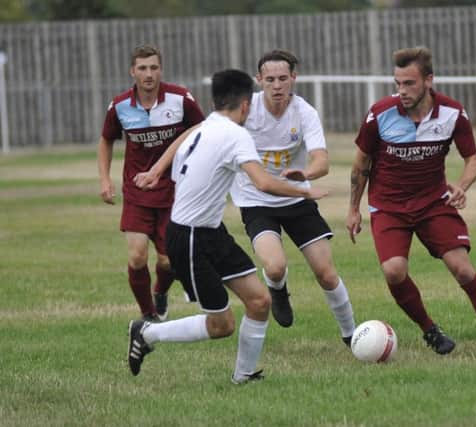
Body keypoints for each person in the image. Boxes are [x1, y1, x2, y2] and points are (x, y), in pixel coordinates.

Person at [128, 69, 328, 384]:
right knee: (222, 325)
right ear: (246, 105)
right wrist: (306, 191)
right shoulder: (235, 135)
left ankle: (244, 375)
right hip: (190, 237)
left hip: (210, 231)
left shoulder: (205, 127)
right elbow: (263, 183)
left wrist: (156, 169)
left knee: (260, 301)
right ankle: (148, 332)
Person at [346, 46, 476, 355]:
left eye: (409, 83)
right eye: (398, 83)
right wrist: (353, 209)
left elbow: (473, 160)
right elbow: (360, 163)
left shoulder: (452, 113)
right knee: (394, 271)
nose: (401, 91)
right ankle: (430, 330)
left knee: (464, 270)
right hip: (389, 206)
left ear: (429, 80)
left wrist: (462, 186)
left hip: (433, 203)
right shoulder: (380, 113)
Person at [229, 49, 356, 345]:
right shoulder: (245, 112)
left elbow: (321, 160)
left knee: (325, 273)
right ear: (258, 80)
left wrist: (307, 175)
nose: (277, 85)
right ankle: (278, 288)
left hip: (297, 199)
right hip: (256, 201)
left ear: (293, 79)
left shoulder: (305, 112)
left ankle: (352, 335)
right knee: (275, 266)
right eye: (270, 79)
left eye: (283, 78)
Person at [97, 44, 205, 322]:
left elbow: (204, 130)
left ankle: (160, 291)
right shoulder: (120, 105)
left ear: (161, 70)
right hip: (137, 192)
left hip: (174, 191)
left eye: (153, 67)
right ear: (133, 71)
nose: (148, 74)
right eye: (142, 68)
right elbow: (107, 139)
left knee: (168, 261)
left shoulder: (181, 99)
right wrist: (105, 179)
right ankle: (148, 315)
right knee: (136, 257)